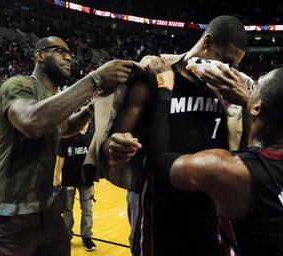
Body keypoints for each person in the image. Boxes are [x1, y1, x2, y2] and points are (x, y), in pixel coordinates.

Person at [101, 16, 250, 256]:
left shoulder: (228, 90)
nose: (228, 70)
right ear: (208, 42)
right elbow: (114, 140)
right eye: (226, 61)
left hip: (209, 209)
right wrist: (116, 144)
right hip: (161, 208)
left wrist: (246, 103)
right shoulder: (155, 76)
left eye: (234, 66)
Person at [0, 36, 135, 256]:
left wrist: (90, 108)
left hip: (47, 210)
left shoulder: (52, 97)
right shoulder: (18, 85)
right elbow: (31, 122)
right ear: (40, 55)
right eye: (60, 51)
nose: (69, 56)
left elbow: (66, 128)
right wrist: (95, 79)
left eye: (70, 52)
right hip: (9, 215)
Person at [149, 67, 283, 255]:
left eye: (255, 86)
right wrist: (251, 101)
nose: (249, 88)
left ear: (258, 107)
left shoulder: (233, 171)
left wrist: (164, 91)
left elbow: (158, 160)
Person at [54, 119, 96, 251]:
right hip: (69, 178)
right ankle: (66, 235)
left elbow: (96, 155)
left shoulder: (93, 131)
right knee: (67, 209)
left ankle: (87, 236)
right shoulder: (68, 132)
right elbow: (61, 157)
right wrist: (56, 177)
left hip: (87, 179)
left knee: (87, 209)